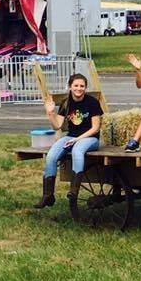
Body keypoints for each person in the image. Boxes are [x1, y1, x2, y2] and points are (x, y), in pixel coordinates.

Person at [34, 74, 103, 208]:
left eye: (82, 86)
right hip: (71, 137)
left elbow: (95, 128)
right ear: (70, 87)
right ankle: (48, 195)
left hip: (90, 138)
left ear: (85, 87)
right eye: (76, 85)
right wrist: (50, 113)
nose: (79, 88)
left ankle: (74, 191)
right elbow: (57, 126)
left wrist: (77, 140)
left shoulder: (92, 102)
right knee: (51, 155)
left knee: (77, 150)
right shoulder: (66, 103)